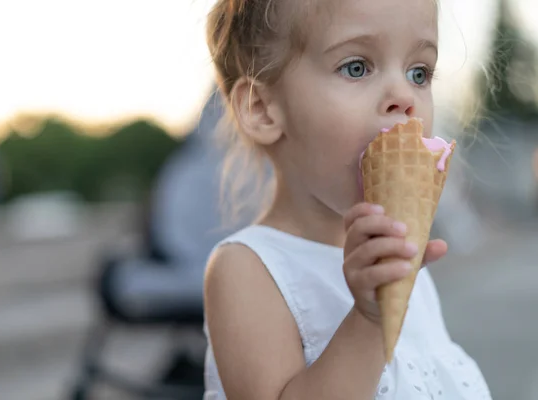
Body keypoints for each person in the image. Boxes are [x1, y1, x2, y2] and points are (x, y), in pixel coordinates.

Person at [202, 0, 493, 399]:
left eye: (418, 73)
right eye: (356, 67)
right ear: (262, 109)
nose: (403, 96)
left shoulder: (403, 267)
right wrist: (369, 321)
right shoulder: (247, 269)